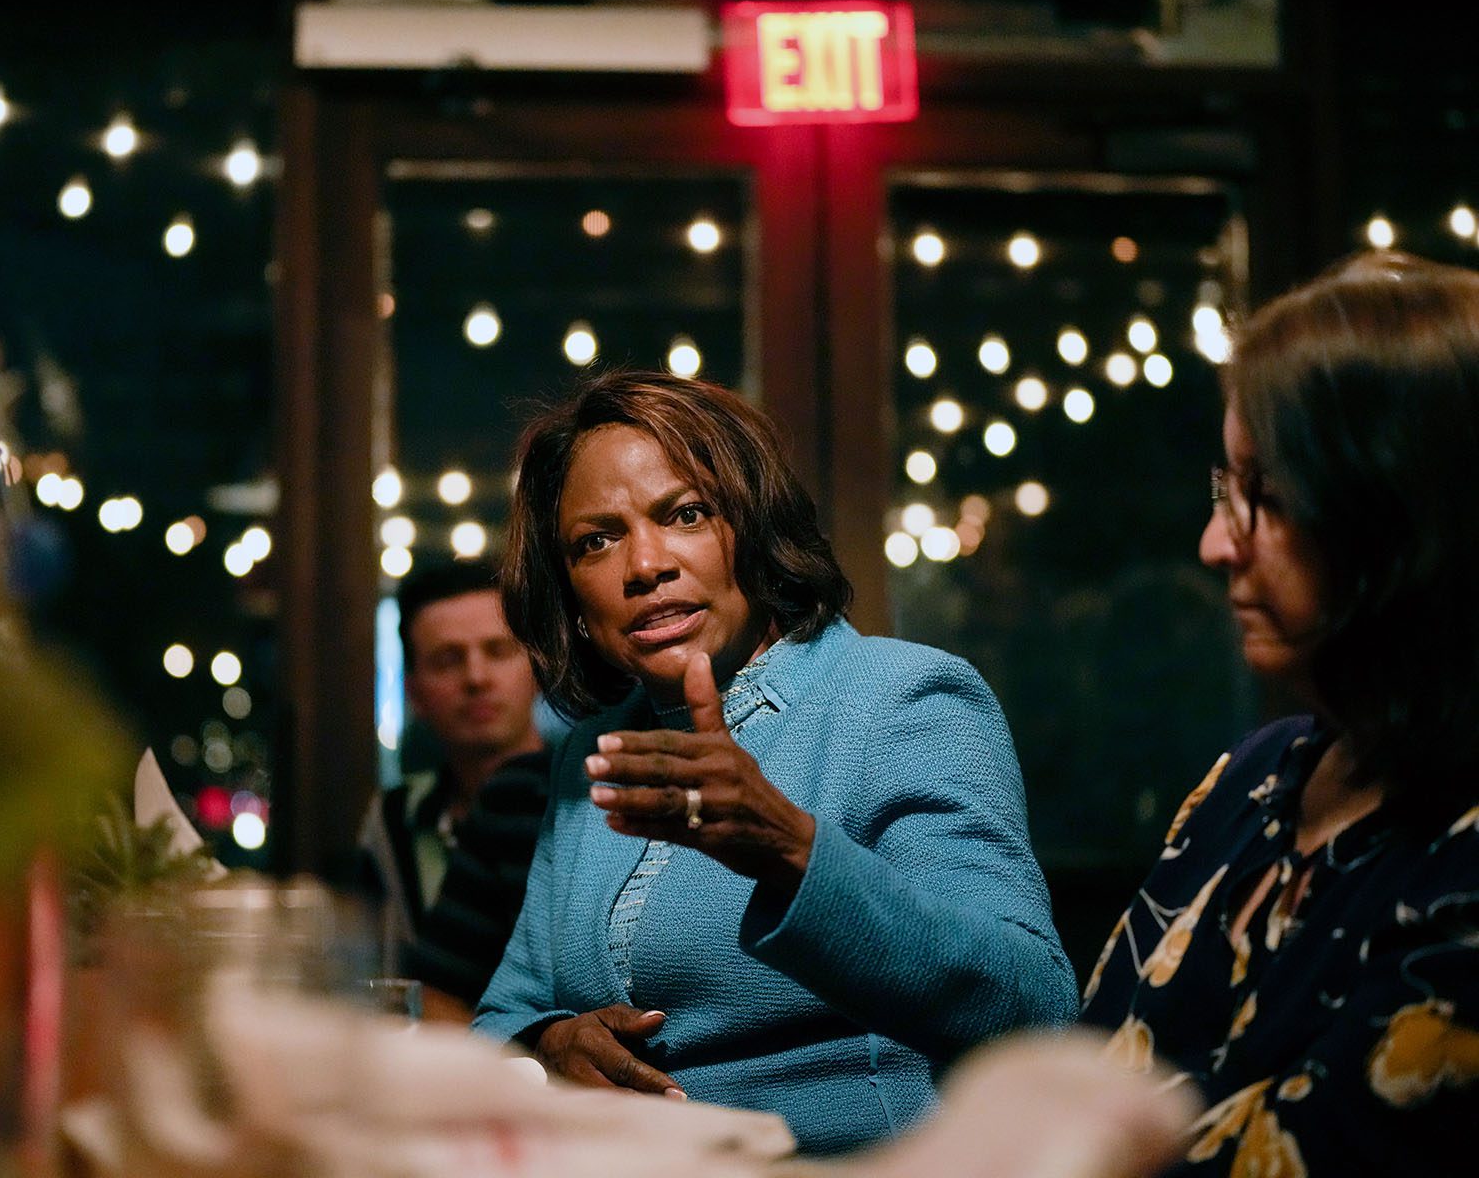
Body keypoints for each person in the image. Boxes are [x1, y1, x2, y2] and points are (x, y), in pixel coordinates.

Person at [472, 370, 1076, 1155]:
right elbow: (501, 1019)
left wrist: (789, 849)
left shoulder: (899, 699)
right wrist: (550, 1047)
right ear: (573, 599)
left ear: (753, 530)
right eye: (598, 540)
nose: (644, 564)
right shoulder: (589, 757)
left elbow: (1034, 1005)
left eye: (684, 514)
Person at [1080, 250, 1479, 1173]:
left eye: (1270, 496)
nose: (1216, 543)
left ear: (1403, 519)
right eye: (1227, 490)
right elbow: (1090, 1070)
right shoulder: (1257, 774)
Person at [359, 560, 552, 1021]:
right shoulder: (394, 818)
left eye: (498, 650)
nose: (476, 677)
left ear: (537, 668)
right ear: (414, 693)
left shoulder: (584, 799)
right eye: (448, 659)